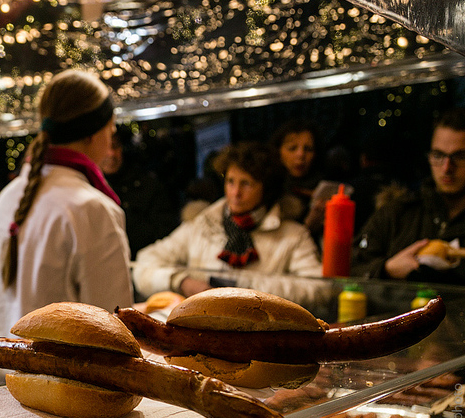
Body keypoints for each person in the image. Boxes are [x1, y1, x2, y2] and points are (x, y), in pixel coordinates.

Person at [0, 69, 133, 346]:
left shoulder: (9, 196)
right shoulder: (91, 208)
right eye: (111, 128)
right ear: (91, 133)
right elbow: (113, 333)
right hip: (64, 384)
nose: (111, 138)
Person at [132, 141, 323, 304]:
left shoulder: (293, 235)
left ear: (267, 189)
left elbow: (318, 287)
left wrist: (248, 291)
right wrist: (182, 281)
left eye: (246, 183)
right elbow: (145, 263)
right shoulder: (202, 225)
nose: (235, 193)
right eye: (230, 181)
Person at [352, 108, 465, 284]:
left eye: (460, 157)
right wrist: (387, 269)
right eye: (438, 155)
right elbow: (349, 267)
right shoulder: (397, 213)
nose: (446, 168)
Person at [101, 125, 178, 256]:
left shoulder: (148, 185)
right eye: (105, 147)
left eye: (115, 146)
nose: (111, 154)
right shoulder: (86, 187)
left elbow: (165, 232)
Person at [272, 119, 324, 233]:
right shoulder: (270, 190)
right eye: (292, 148)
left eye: (308, 149)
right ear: (278, 151)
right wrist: (308, 226)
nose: (300, 155)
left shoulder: (323, 186)